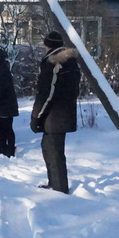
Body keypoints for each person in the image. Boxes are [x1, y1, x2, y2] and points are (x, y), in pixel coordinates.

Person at [30, 31, 80, 194]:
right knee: (50, 148)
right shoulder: (71, 62)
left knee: (53, 152)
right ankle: (55, 183)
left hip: (53, 115)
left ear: (48, 45)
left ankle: (58, 188)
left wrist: (36, 116)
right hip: (65, 112)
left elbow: (46, 93)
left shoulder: (53, 63)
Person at [0, 47, 19, 157]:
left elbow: (0, 89)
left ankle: (6, 149)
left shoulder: (0, 71)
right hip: (7, 105)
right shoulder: (4, 69)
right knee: (6, 128)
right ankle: (8, 148)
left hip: (2, 104)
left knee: (3, 128)